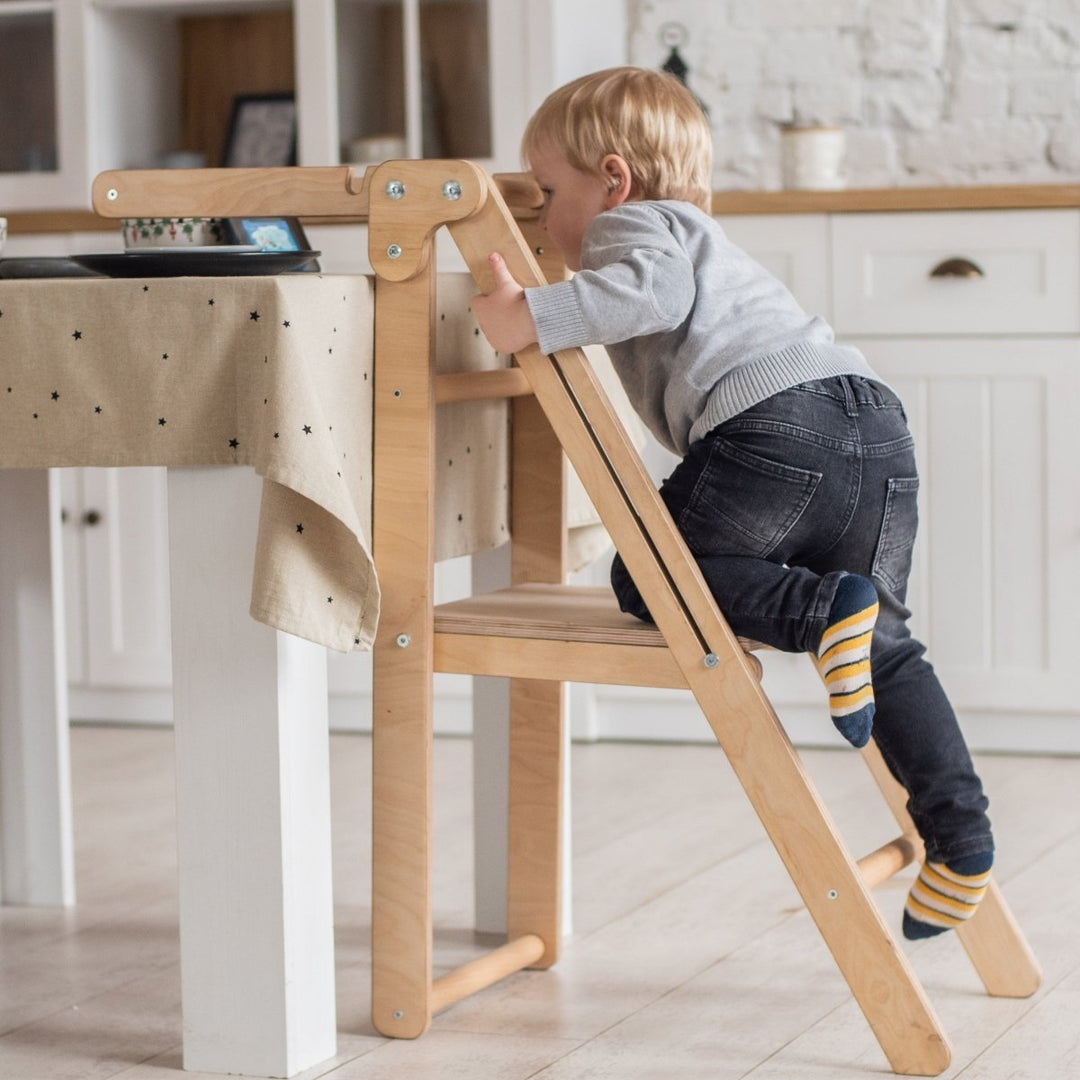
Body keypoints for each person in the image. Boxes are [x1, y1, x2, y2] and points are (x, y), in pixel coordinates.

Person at [470, 66, 993, 941]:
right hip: (874, 424)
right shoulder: (703, 236)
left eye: (549, 192)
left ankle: (818, 611)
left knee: (646, 576)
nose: (542, 215)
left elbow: (653, 294)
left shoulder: (634, 225)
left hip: (775, 423)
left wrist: (528, 316)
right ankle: (962, 841)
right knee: (891, 648)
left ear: (614, 178)